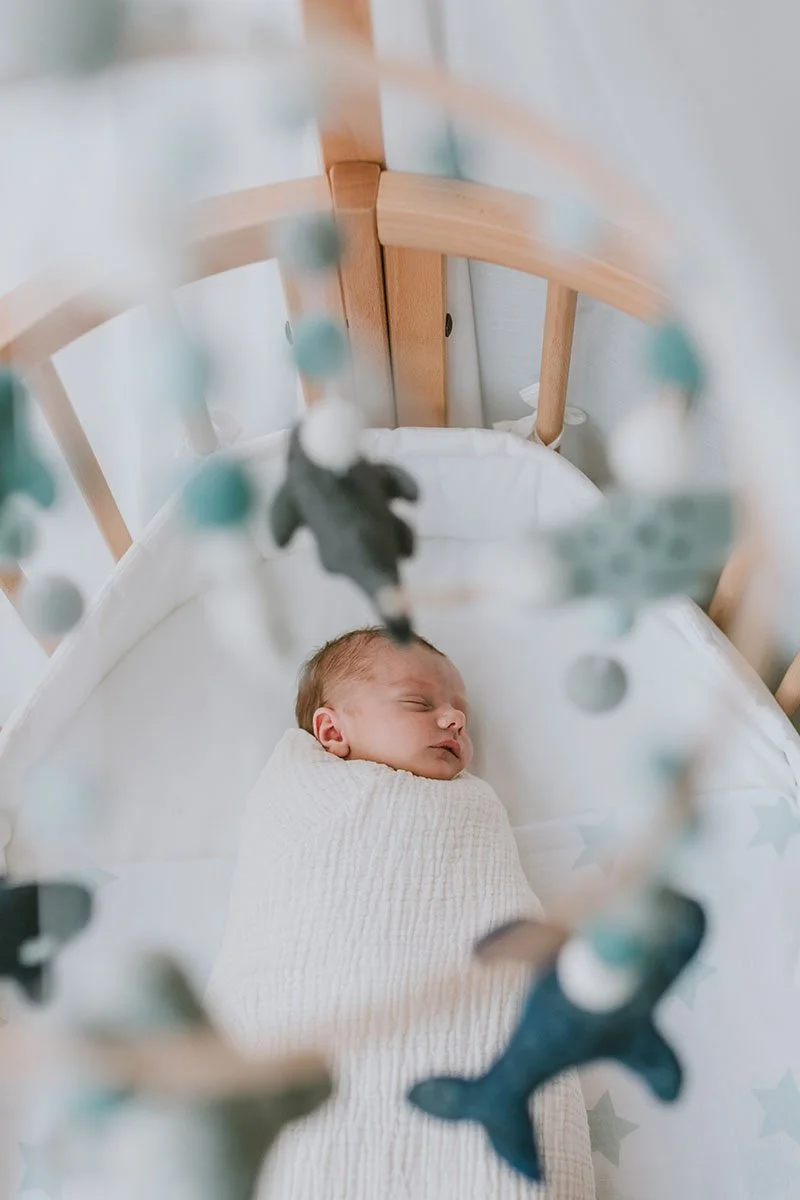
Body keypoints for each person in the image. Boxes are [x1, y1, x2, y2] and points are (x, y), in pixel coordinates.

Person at [295, 626, 473, 781]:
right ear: (333, 732)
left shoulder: (474, 798)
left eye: (462, 712)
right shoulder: (313, 799)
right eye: (418, 703)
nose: (457, 718)